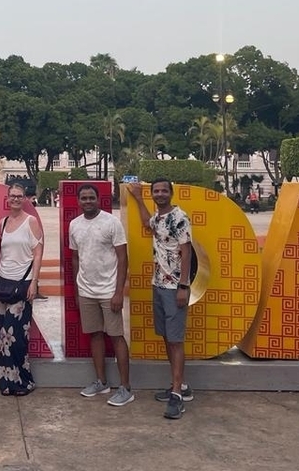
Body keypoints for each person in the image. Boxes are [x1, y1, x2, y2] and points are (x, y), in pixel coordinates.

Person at [128, 179, 195, 420]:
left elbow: (186, 251)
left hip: (174, 287)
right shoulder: (158, 217)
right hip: (158, 285)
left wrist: (183, 286)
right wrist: (138, 198)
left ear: (171, 193)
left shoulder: (180, 217)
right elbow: (148, 223)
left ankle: (177, 395)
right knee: (167, 336)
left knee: (175, 340)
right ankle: (181, 386)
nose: (160, 194)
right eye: (156, 191)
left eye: (164, 190)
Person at [69, 183, 134, 407]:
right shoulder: (74, 225)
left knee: (116, 337)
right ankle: (101, 381)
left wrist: (118, 292)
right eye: (84, 198)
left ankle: (125, 388)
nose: (88, 201)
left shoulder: (111, 222)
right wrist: (78, 291)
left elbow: (123, 258)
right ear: (79, 201)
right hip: (86, 290)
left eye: (91, 198)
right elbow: (76, 258)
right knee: (95, 335)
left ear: (99, 199)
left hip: (109, 291)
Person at [0, 183, 44, 396]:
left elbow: (38, 253)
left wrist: (34, 282)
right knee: (3, 337)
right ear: (7, 198)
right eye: (12, 196)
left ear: (25, 198)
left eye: (19, 196)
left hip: (22, 286)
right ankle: (7, 383)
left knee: (16, 337)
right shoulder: (2, 222)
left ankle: (24, 381)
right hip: (3, 285)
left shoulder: (31, 222)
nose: (15, 199)